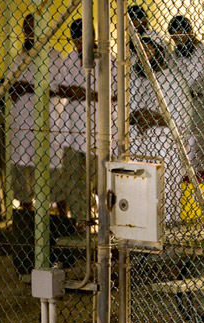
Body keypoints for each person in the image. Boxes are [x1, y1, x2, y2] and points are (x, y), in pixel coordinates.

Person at [58, 19, 118, 226]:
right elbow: (60, 88)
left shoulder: (109, 61)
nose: (80, 45)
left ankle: (106, 221)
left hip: (99, 129)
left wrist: (90, 95)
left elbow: (117, 96)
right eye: (77, 41)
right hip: (73, 128)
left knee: (101, 178)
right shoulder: (69, 60)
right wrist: (73, 92)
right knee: (73, 178)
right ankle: (83, 218)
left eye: (84, 38)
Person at [128, 37, 193, 225]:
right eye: (140, 52)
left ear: (160, 52)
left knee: (163, 188)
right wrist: (140, 115)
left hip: (164, 143)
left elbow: (181, 119)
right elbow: (125, 112)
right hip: (139, 143)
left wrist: (154, 117)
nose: (144, 56)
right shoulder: (135, 79)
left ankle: (167, 229)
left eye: (149, 51)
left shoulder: (173, 79)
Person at [7, 13, 66, 212]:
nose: (29, 33)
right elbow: (11, 89)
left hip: (48, 121)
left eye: (33, 29)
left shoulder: (55, 57)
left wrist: (27, 87)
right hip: (22, 122)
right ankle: (26, 211)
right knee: (21, 165)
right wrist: (22, 88)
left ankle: (60, 212)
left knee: (53, 165)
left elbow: (57, 88)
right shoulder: (19, 58)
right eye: (26, 29)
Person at [167, 15, 204, 175]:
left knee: (203, 156)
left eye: (181, 37)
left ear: (190, 33)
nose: (179, 42)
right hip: (181, 111)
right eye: (175, 39)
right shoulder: (174, 55)